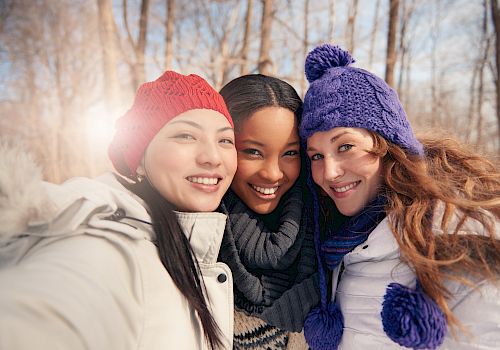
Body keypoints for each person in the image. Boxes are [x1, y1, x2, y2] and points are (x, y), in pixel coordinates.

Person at [0, 71, 238, 349]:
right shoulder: (109, 246)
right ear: (139, 159)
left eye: (225, 140)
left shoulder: (202, 245)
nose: (212, 157)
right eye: (185, 136)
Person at [298, 44, 500, 350]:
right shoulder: (337, 242)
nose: (329, 173)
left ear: (389, 145)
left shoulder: (461, 237)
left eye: (345, 147)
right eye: (315, 156)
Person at [217, 74, 320, 349]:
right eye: (252, 151)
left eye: (290, 153)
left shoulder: (328, 228)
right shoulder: (195, 232)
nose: (273, 174)